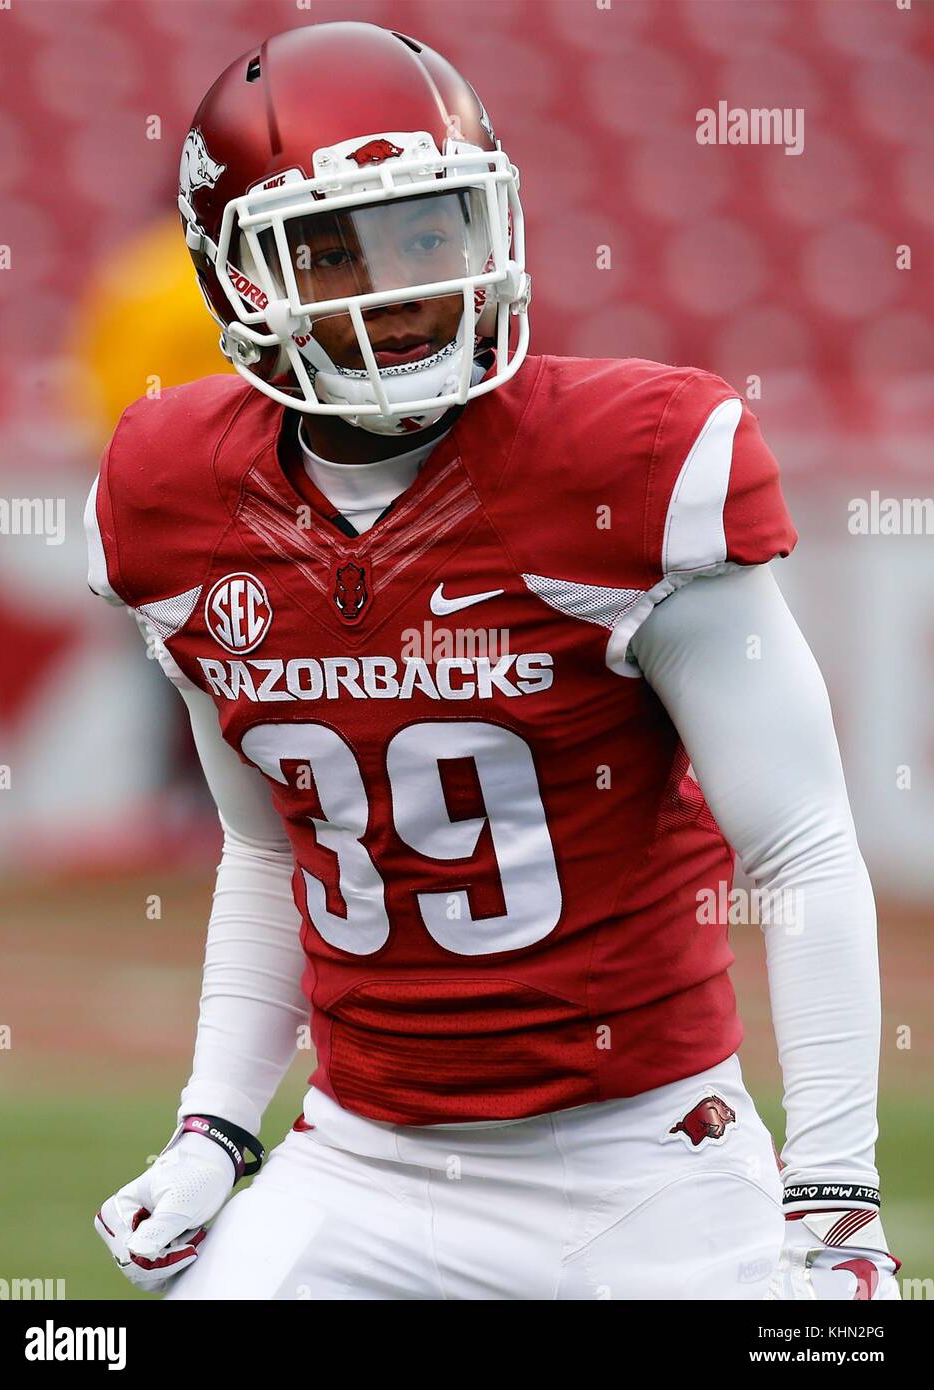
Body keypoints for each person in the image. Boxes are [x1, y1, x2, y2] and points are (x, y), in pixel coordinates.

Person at [87, 21, 898, 1300]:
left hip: (644, 1165)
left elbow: (798, 846)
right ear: (235, 273)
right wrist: (213, 1128)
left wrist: (836, 1185)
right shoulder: (164, 493)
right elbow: (266, 850)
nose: (397, 284)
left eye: (428, 230)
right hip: (357, 1163)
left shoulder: (630, 466)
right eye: (334, 247)